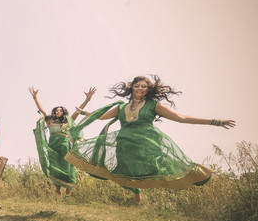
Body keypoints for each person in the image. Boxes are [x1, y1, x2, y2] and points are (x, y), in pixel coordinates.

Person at [64, 75, 235, 204]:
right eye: (137, 85)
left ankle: (182, 180)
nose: (140, 88)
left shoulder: (154, 106)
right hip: (124, 143)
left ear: (148, 89)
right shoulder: (121, 107)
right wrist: (84, 112)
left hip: (146, 141)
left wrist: (215, 122)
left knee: (157, 166)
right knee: (121, 171)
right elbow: (101, 117)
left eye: (144, 86)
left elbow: (181, 118)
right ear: (131, 88)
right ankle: (135, 191)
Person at [29, 86, 96, 196]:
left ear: (63, 112)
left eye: (60, 110)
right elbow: (43, 110)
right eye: (56, 110)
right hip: (53, 145)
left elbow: (78, 111)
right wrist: (35, 98)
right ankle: (57, 186)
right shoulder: (50, 121)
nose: (57, 112)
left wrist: (87, 99)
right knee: (54, 165)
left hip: (64, 145)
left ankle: (68, 185)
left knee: (67, 165)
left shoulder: (68, 121)